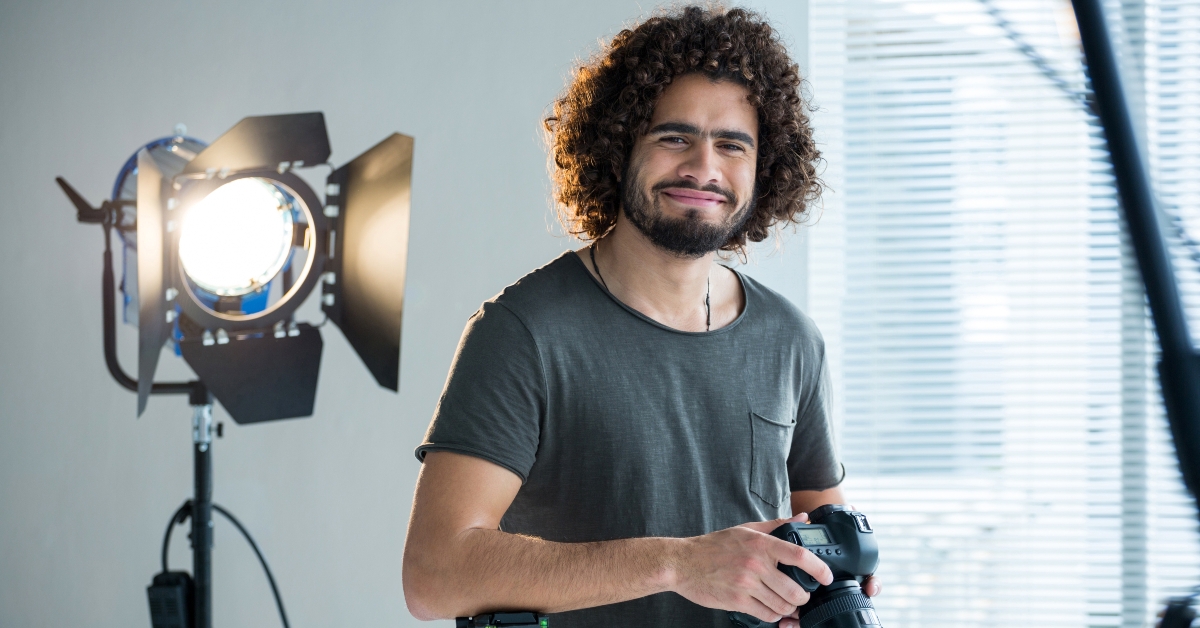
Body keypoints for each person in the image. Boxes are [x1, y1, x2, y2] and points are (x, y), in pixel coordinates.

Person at [402, 6, 879, 627]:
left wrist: (833, 583)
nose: (704, 168)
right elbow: (435, 576)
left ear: (764, 170)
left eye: (732, 145)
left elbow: (819, 526)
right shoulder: (523, 333)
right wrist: (679, 563)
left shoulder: (791, 340)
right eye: (674, 137)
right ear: (618, 146)